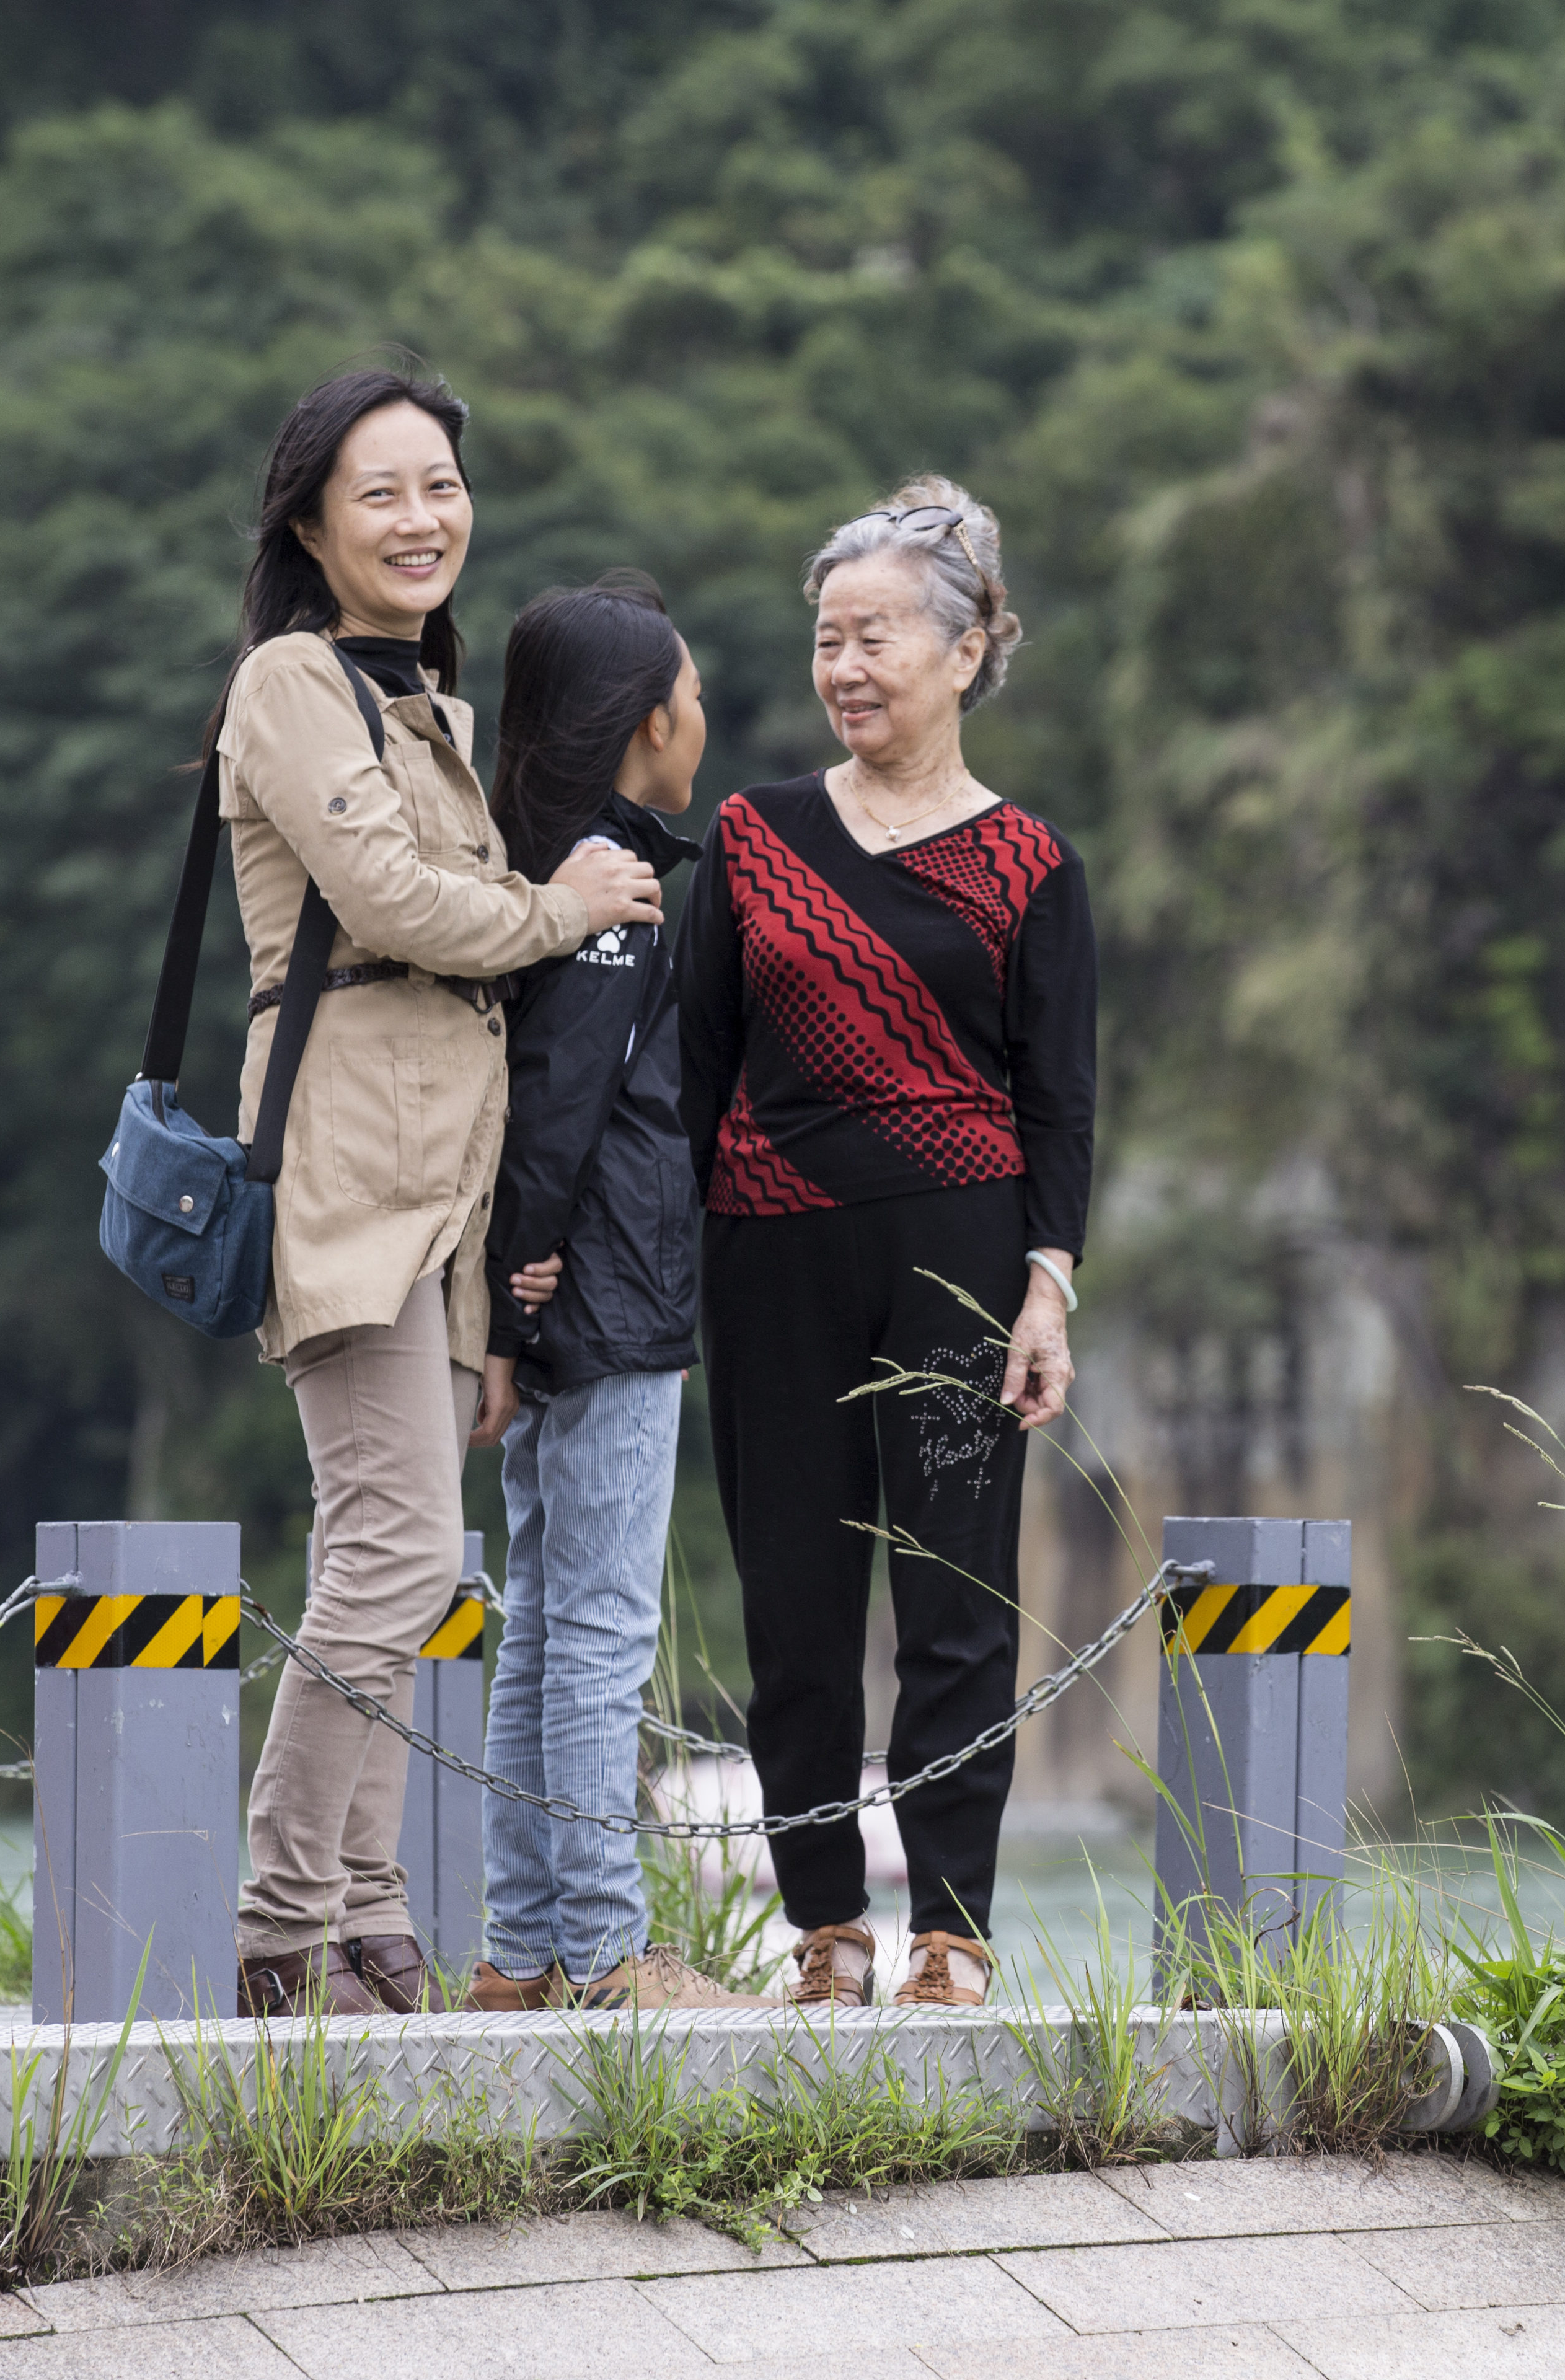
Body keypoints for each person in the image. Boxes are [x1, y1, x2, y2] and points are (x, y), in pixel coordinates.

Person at [219, 363, 664, 2019]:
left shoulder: (424, 702)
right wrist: (561, 907)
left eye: (442, 488)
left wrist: (487, 1299)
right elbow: (395, 901)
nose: (424, 519)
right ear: (311, 521)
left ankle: (370, 1908)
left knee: (405, 1546)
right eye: (384, 491)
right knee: (400, 1550)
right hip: (341, 1156)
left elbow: (463, 1023)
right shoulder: (286, 684)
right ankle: (282, 1926)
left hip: (437, 1179)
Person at [677, 475, 1095, 2010]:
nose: (845, 670)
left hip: (961, 1259)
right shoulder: (754, 834)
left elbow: (1063, 1105)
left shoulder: (1031, 866)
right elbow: (690, 1073)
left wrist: (1047, 1286)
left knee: (952, 1600)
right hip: (768, 1252)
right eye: (825, 642)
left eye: (875, 641)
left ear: (968, 650)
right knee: (792, 1605)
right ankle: (827, 1929)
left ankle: (954, 1934)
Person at [464, 574, 765, 2011]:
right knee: (596, 1630)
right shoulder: (621, 887)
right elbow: (560, 1098)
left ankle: (521, 1949)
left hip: (567, 1290)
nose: (703, 714)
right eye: (693, 693)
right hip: (615, 1288)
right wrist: (524, 1301)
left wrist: (517, 1301)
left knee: (540, 1623)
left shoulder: (555, 864)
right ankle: (603, 1949)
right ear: (650, 724)